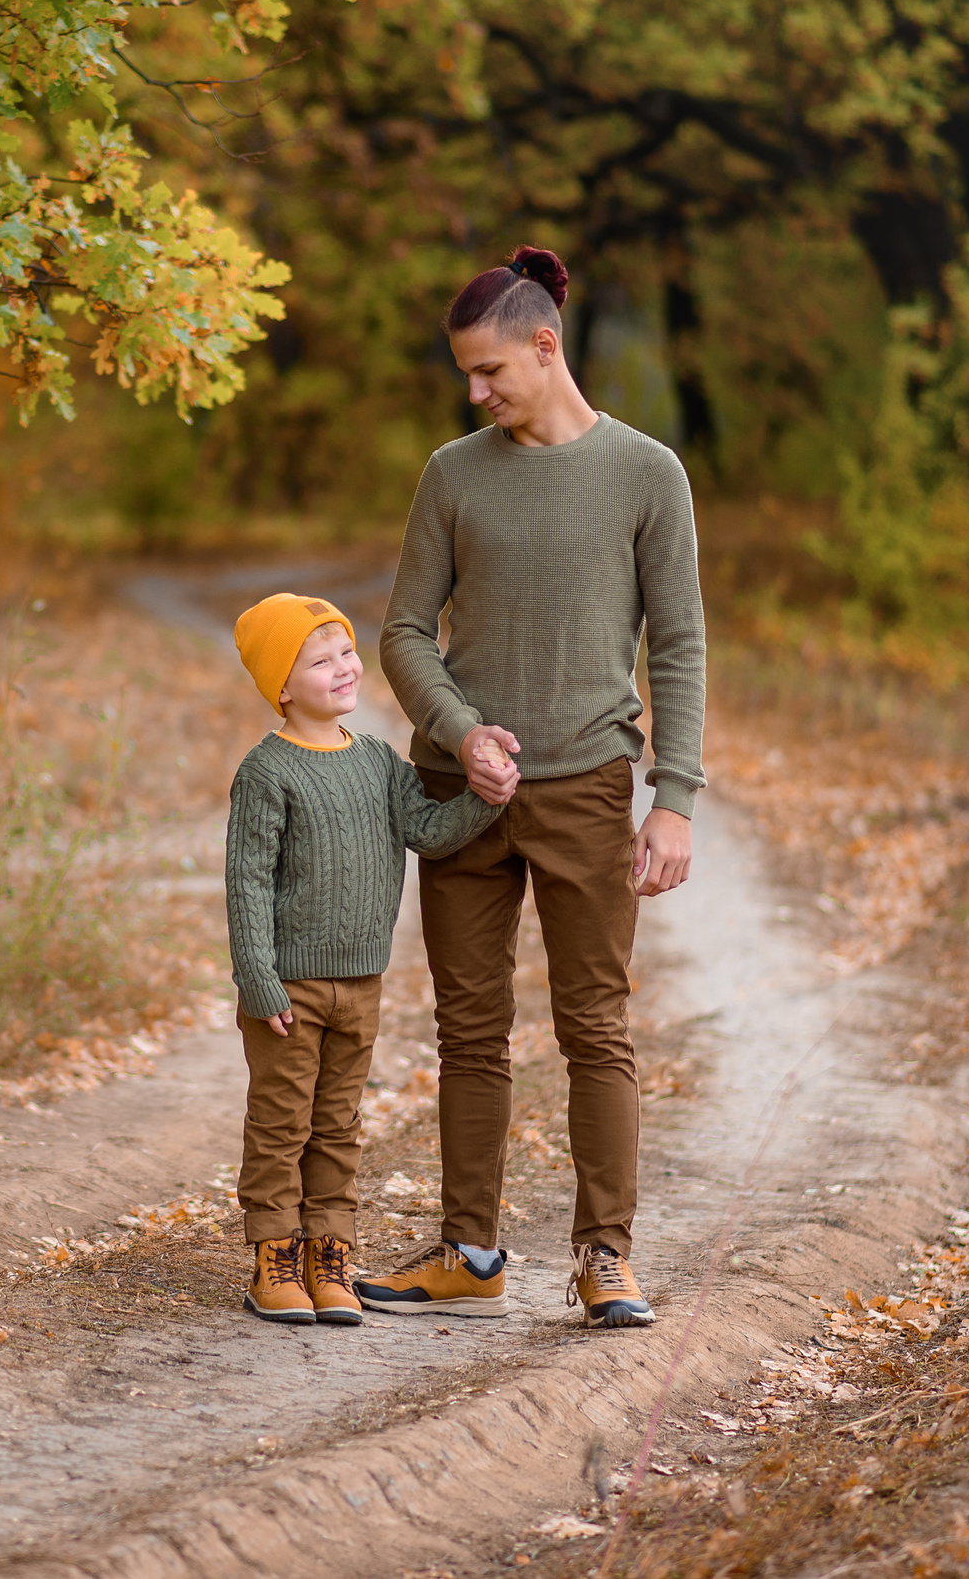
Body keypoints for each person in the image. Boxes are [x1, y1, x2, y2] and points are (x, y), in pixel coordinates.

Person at [354, 246, 706, 1328]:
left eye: (488, 370)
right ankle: (469, 1251)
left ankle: (606, 1254)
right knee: (469, 1029)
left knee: (595, 1027)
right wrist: (458, 733)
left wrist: (675, 794)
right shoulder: (452, 473)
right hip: (461, 797)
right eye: (466, 375)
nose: (474, 393)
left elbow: (679, 642)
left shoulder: (648, 474)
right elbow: (404, 633)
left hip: (588, 788)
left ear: (544, 348)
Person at [223, 593, 512, 1324]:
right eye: (321, 661)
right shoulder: (268, 772)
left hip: (361, 984)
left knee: (340, 1126)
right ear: (282, 686)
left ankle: (331, 1254)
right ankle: (273, 1257)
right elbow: (248, 881)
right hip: (287, 989)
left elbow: (428, 828)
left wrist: (485, 797)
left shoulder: (379, 763)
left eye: (347, 651)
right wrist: (258, 979)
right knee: (282, 1123)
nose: (345, 667)